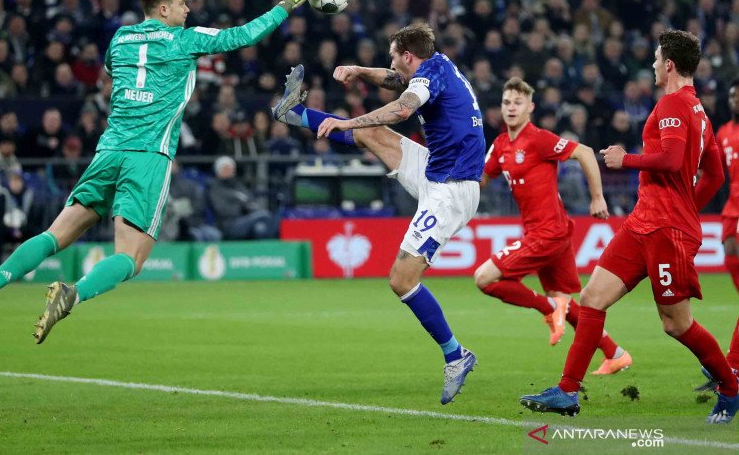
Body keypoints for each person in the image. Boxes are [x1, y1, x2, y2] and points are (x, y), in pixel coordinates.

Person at [0, 0, 322, 344]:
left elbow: (111, 70)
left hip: (108, 151)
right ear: (163, 8)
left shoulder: (121, 37)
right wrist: (290, 1)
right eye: (182, 2)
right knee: (131, 258)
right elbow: (244, 35)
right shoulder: (184, 40)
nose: (188, 8)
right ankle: (71, 294)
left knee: (53, 236)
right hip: (148, 156)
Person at [520, 30, 739, 424]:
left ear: (669, 64)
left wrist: (627, 159)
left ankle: (731, 388)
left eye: (656, 59)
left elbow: (671, 160)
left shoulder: (674, 104)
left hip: (665, 231)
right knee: (592, 298)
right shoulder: (700, 112)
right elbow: (715, 175)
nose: (653, 66)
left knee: (676, 324)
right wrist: (688, 205)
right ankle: (567, 391)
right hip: (645, 223)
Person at [272, 23, 485, 404]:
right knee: (373, 135)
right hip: (438, 167)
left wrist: (347, 121)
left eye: (392, 56)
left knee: (402, 280)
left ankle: (456, 355)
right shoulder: (435, 67)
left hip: (451, 188)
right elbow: (395, 80)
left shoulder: (427, 76)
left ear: (408, 55)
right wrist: (360, 71)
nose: (390, 65)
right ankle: (295, 114)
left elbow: (403, 107)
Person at [474, 77, 632, 374]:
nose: (511, 107)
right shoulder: (500, 145)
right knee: (567, 304)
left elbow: (584, 152)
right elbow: (481, 180)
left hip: (547, 233)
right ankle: (614, 353)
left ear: (530, 107)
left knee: (484, 278)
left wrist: (597, 198)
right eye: (506, 102)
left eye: (517, 103)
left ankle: (547, 308)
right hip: (549, 233)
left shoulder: (538, 139)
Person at [695, 79, 739, 391]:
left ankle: (729, 367)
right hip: (731, 215)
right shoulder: (723, 133)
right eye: (734, 94)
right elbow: (713, 173)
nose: (736, 99)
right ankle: (730, 368)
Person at [208, 156, 276, 240]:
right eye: (225, 169)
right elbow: (221, 209)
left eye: (231, 168)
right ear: (218, 171)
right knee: (264, 214)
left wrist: (246, 206)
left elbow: (250, 201)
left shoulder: (238, 185)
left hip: (245, 220)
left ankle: (265, 251)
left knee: (260, 228)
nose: (229, 171)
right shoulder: (214, 187)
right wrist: (241, 206)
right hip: (227, 224)